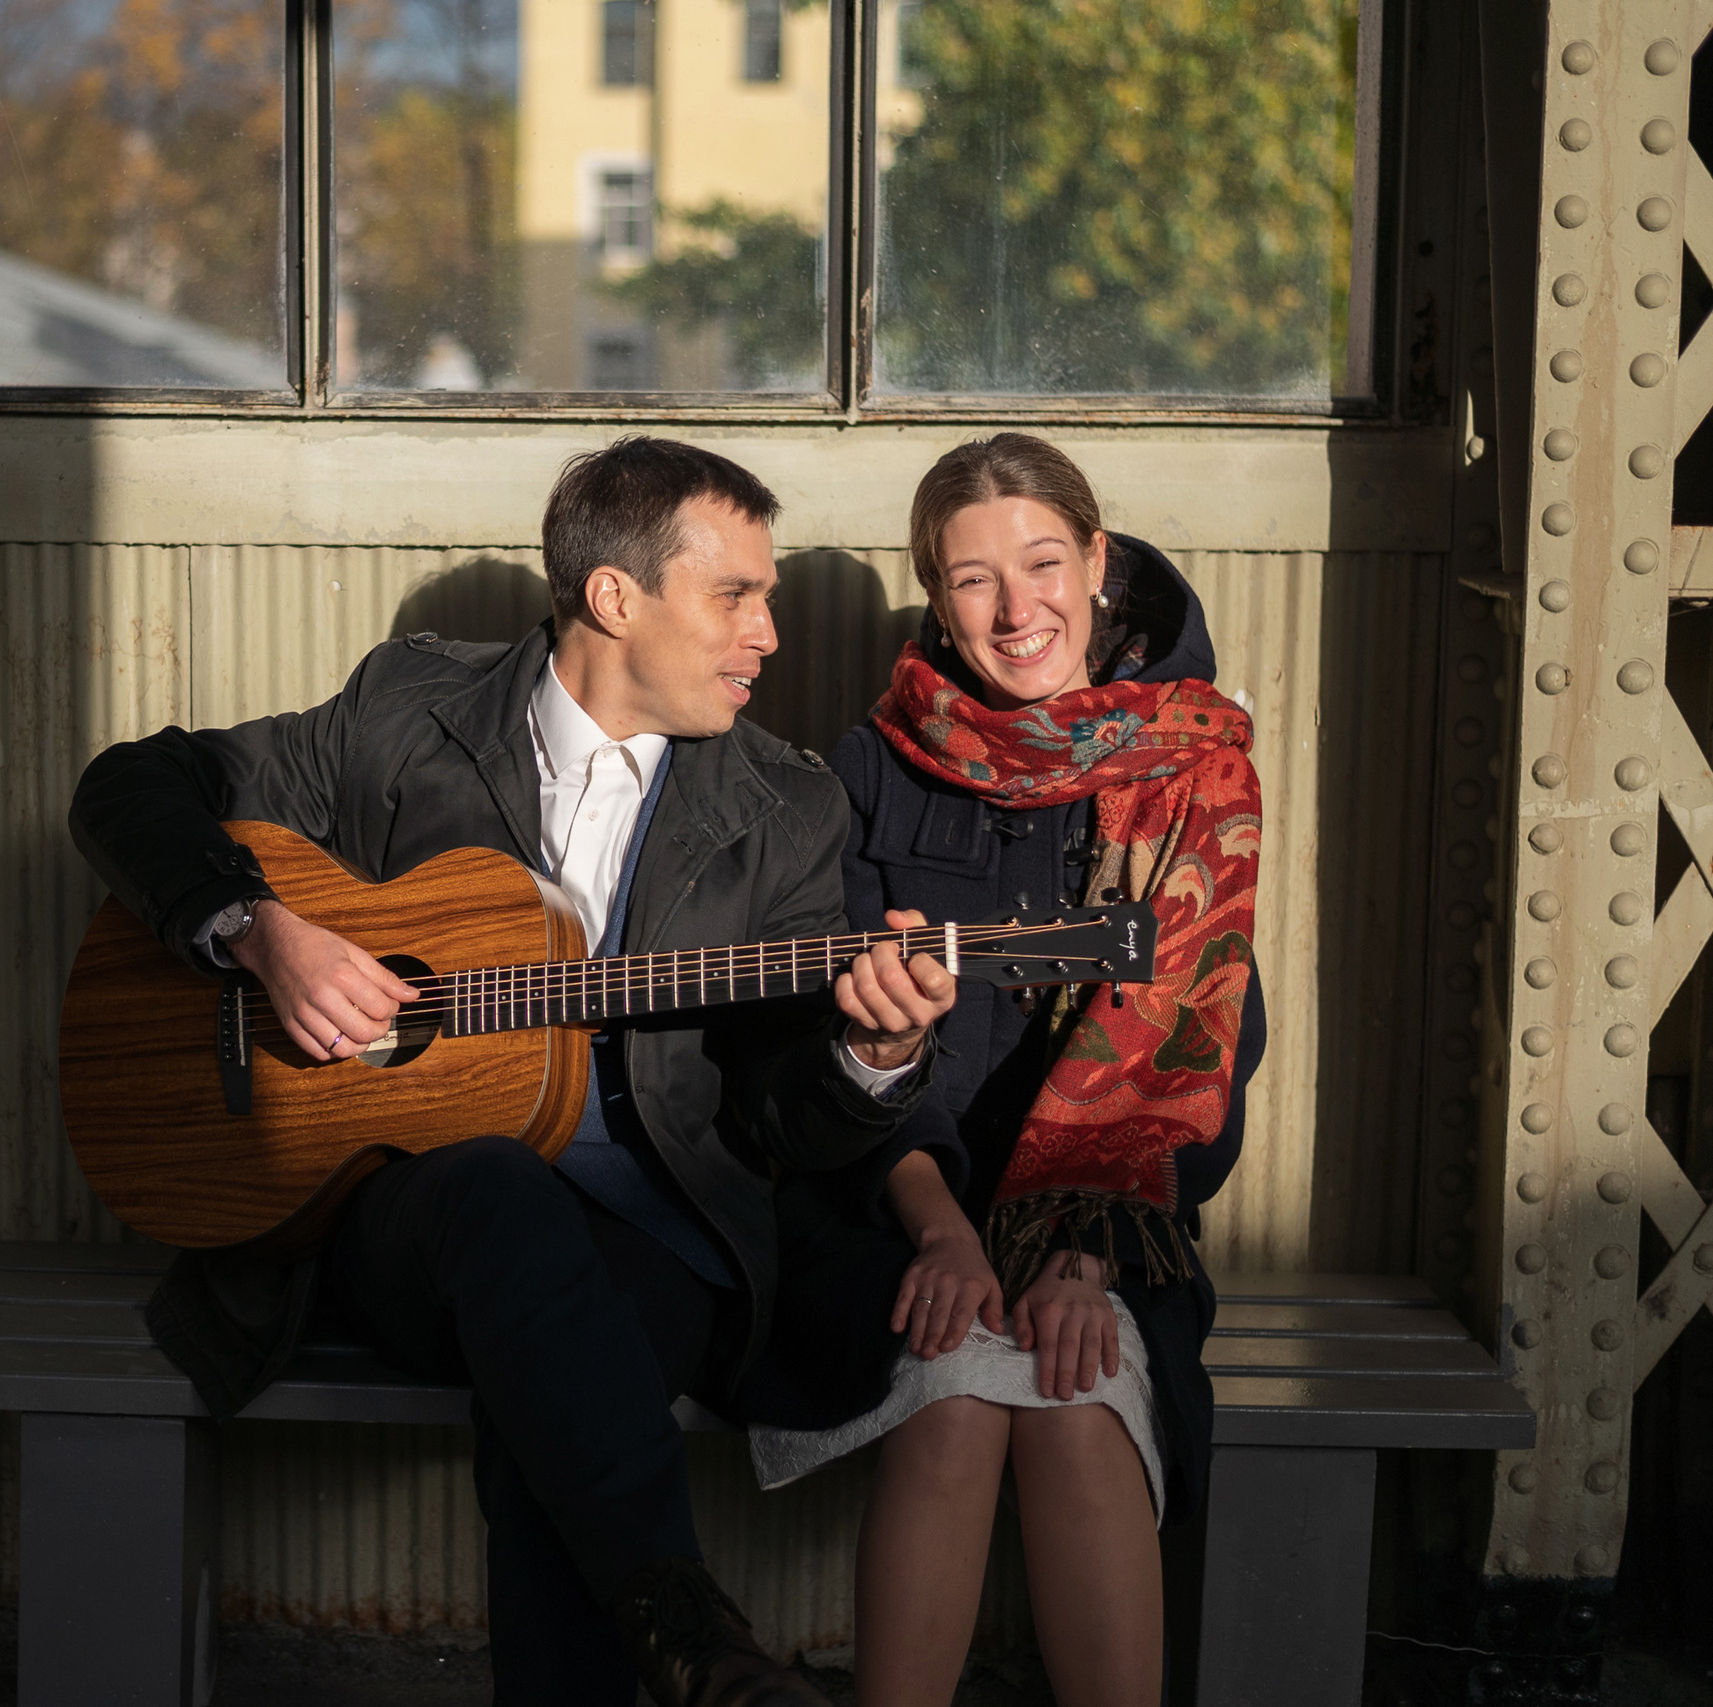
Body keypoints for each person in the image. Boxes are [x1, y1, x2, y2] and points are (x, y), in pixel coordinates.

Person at [68, 437, 942, 1707]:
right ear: (613, 598)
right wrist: (259, 932)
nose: (768, 634)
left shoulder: (783, 808)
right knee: (498, 1196)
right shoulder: (404, 717)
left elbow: (774, 1114)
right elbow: (130, 787)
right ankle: (694, 1642)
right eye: (736, 595)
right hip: (407, 1216)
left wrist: (874, 1054)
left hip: (661, 1232)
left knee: (571, 1387)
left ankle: (682, 1635)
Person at [737, 432, 1267, 1707]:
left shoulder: (1196, 762)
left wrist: (1080, 1256)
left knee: (1078, 1401)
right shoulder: (876, 764)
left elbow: (1206, 1046)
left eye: (1041, 563)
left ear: (1095, 562)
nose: (1016, 608)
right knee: (958, 1395)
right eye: (972, 580)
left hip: (1118, 1218)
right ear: (935, 593)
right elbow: (841, 1045)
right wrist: (939, 1234)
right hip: (900, 1205)